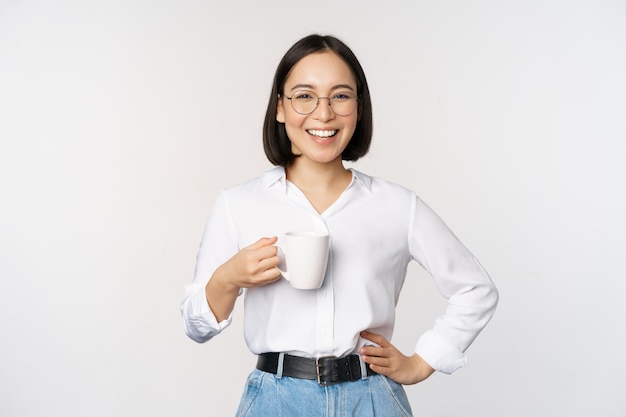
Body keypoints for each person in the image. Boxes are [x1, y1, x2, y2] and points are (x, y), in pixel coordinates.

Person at [180, 34, 498, 417]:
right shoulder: (239, 203)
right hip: (276, 402)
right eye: (304, 96)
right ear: (280, 107)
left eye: (340, 96)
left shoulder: (397, 205)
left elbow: (475, 289)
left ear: (359, 108)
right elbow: (196, 326)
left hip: (373, 399)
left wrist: (422, 361)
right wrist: (228, 278)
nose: (324, 113)